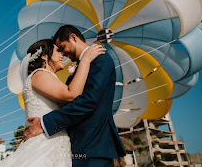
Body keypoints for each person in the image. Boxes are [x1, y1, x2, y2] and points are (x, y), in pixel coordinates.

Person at [24, 25, 126, 167]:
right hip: (76, 146)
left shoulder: (100, 60)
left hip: (93, 145)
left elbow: (89, 101)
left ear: (73, 38)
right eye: (58, 50)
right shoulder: (77, 72)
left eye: (62, 47)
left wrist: (45, 123)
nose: (62, 54)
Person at [0, 38, 106, 167]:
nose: (62, 55)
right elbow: (71, 94)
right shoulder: (39, 74)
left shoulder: (46, 77)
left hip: (54, 142)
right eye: (57, 51)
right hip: (45, 143)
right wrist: (86, 60)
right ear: (44, 56)